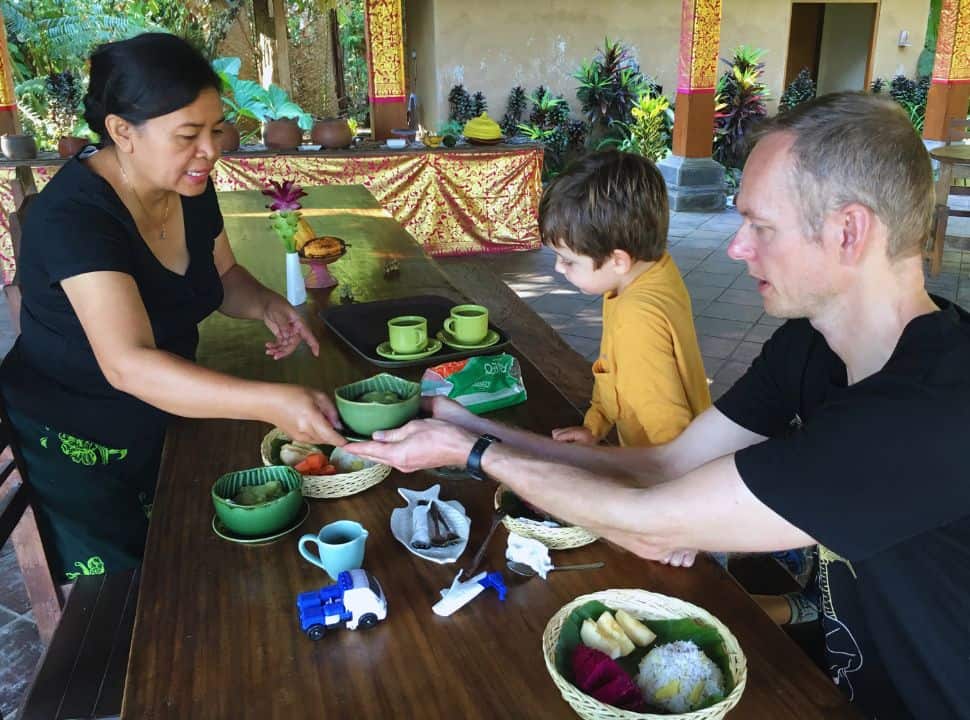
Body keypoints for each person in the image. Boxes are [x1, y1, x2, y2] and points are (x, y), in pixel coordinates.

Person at [352, 92, 970, 720]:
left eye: (761, 226)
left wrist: (475, 454)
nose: (736, 248)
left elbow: (653, 519)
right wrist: (471, 425)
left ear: (848, 231)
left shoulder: (928, 413)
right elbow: (666, 465)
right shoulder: (808, 347)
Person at [0, 33, 345, 584]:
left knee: (208, 558)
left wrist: (266, 305)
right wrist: (271, 401)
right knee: (141, 602)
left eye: (214, 130)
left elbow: (223, 274)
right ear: (121, 132)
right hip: (85, 439)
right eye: (188, 135)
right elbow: (127, 363)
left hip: (169, 413)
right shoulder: (76, 219)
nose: (209, 150)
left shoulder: (189, 184)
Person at [538, 150, 710, 447]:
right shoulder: (650, 270)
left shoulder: (636, 320)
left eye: (568, 260)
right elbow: (614, 371)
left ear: (618, 260)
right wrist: (594, 425)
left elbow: (671, 435)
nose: (558, 268)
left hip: (660, 472)